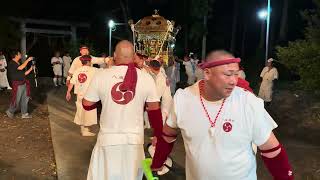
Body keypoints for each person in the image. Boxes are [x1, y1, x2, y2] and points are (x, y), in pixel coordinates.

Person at [151, 50, 293, 180]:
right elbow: (168, 135)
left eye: (236, 74)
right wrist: (157, 162)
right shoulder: (183, 99)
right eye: (227, 74)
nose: (233, 81)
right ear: (207, 73)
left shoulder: (248, 102)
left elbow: (272, 150)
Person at [83, 40, 163, 180]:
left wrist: (104, 100)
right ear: (133, 57)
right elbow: (155, 111)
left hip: (108, 139)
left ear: (114, 55)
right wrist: (158, 135)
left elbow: (87, 104)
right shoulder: (145, 78)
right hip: (134, 141)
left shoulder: (101, 75)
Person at [66, 55, 97, 136]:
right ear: (88, 61)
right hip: (89, 94)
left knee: (80, 110)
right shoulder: (94, 70)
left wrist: (68, 92)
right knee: (89, 112)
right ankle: (85, 130)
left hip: (80, 94)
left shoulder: (77, 70)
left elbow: (72, 82)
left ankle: (83, 129)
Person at [6, 50, 34, 119]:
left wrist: (31, 69)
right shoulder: (11, 63)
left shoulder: (18, 63)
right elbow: (21, 67)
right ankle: (10, 111)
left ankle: (24, 113)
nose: (21, 54)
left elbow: (23, 73)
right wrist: (28, 60)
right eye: (19, 53)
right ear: (16, 55)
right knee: (16, 99)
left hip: (23, 82)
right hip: (17, 84)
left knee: (25, 98)